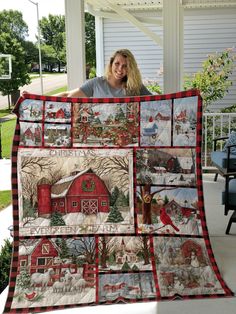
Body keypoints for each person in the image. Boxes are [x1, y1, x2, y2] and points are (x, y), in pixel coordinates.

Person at [56, 49, 152, 97]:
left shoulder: (136, 87)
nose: (120, 69)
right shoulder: (96, 83)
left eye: (125, 66)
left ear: (130, 69)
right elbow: (68, 95)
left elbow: (157, 102)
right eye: (117, 64)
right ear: (111, 64)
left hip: (128, 134)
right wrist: (42, 101)